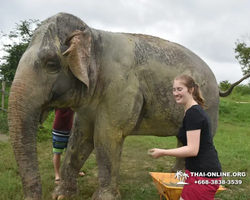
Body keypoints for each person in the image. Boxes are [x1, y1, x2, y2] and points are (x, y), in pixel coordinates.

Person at [149, 74, 222, 200]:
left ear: (191, 90)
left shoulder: (193, 113)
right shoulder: (191, 111)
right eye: (174, 89)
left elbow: (192, 150)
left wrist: (163, 152)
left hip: (203, 174)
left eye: (179, 89)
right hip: (197, 171)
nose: (176, 93)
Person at [52, 108, 85, 184]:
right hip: (58, 131)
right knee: (57, 153)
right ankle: (57, 175)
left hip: (70, 130)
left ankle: (75, 170)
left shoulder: (72, 101)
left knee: (72, 153)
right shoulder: (59, 101)